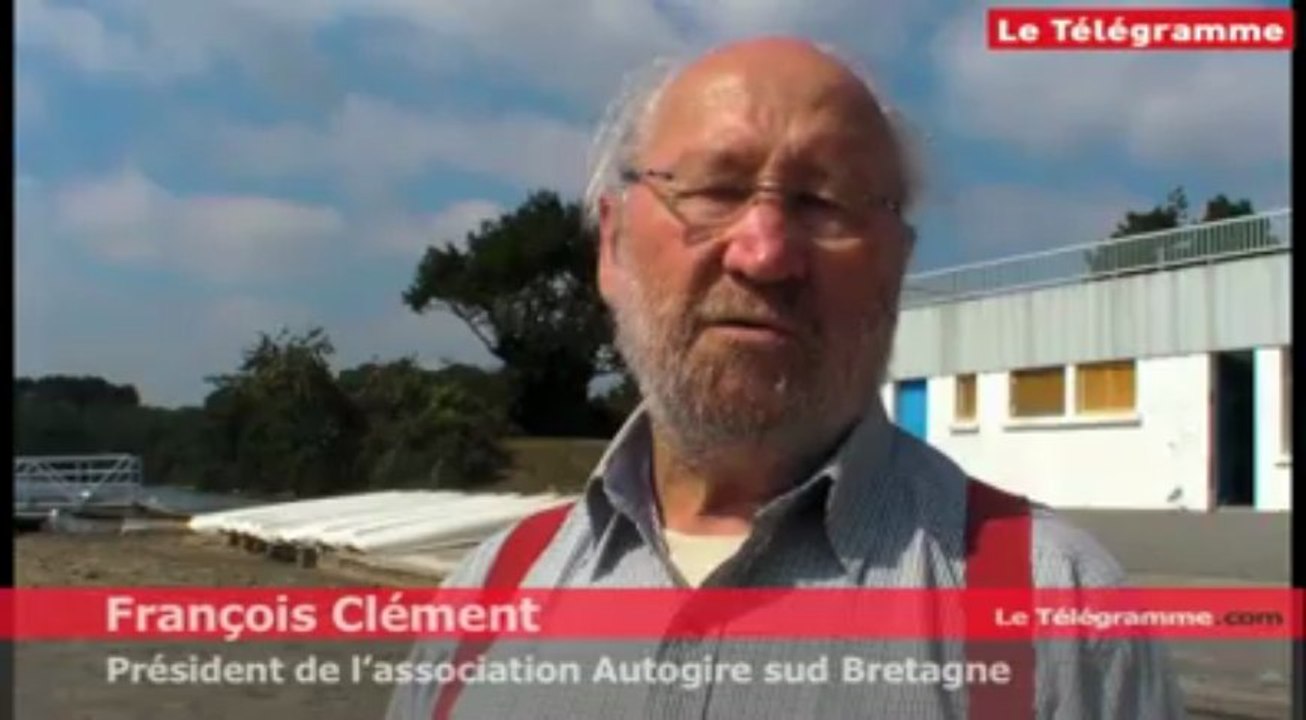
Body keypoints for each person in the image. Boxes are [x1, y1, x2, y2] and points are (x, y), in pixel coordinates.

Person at [387, 36, 1186, 719]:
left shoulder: (1062, 614)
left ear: (897, 263)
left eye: (825, 202)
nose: (766, 253)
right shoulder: (485, 595)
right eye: (716, 190)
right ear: (612, 245)